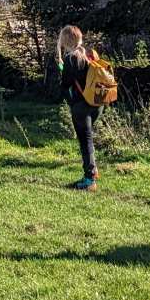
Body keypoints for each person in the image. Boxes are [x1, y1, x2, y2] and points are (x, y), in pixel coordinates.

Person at [56, 25, 100, 191]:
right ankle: (92, 170)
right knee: (88, 138)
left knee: (85, 140)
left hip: (81, 105)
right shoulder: (89, 54)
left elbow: (65, 85)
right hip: (96, 104)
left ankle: (89, 180)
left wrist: (62, 70)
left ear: (65, 40)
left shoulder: (70, 58)